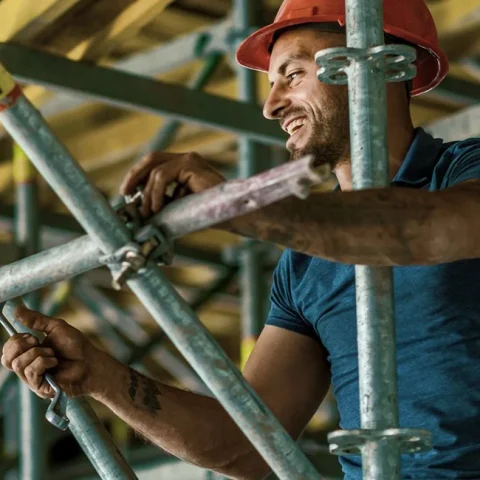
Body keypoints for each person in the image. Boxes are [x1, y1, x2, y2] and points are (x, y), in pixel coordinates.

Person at [2, 0, 480, 478]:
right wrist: (100, 374)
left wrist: (241, 204)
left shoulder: (465, 172)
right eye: (272, 85)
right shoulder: (303, 267)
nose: (271, 106)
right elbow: (247, 443)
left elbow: (423, 228)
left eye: (293, 75)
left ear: (380, 62)